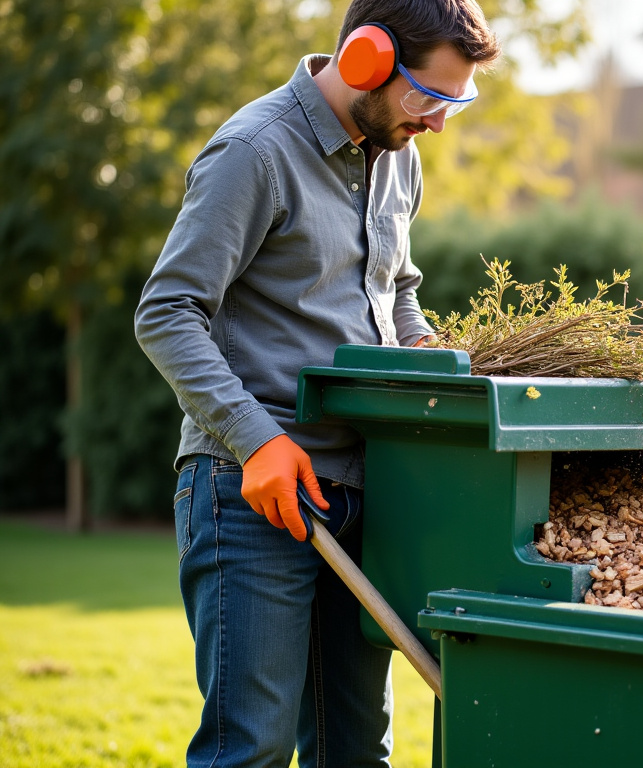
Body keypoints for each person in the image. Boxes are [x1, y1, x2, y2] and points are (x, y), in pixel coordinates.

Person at [134, 1, 499, 765]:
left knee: (356, 749)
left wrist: (426, 348)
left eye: (452, 102)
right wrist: (255, 439)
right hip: (251, 488)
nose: (437, 121)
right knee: (251, 749)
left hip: (359, 486)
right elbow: (167, 312)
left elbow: (394, 289)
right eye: (429, 96)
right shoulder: (255, 151)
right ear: (367, 59)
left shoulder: (398, 153)